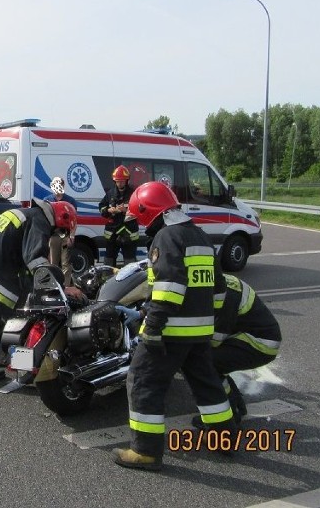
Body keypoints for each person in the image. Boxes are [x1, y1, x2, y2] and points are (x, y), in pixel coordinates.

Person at [113, 181, 236, 471]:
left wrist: (153, 326)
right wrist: (207, 322)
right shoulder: (201, 237)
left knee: (142, 381)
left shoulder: (167, 237)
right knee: (207, 385)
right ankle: (224, 439)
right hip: (200, 332)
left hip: (171, 332)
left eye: (141, 218)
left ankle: (146, 452)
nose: (142, 226)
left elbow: (170, 286)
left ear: (149, 212)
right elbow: (219, 289)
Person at [0, 199, 81, 383]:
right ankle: (23, 370)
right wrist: (62, 287)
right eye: (60, 230)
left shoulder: (26, 214)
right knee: (23, 320)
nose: (56, 234)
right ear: (60, 219)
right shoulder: (39, 221)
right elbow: (35, 261)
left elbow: (25, 265)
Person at [191, 274, 281, 427]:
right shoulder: (219, 281)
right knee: (215, 362)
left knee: (205, 364)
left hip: (260, 343)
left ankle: (228, 416)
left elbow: (214, 340)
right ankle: (237, 404)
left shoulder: (226, 296)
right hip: (252, 336)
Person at [98, 165, 139, 266]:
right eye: (118, 181)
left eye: (122, 181)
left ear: (126, 180)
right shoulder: (110, 194)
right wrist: (108, 210)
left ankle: (130, 280)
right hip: (112, 233)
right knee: (109, 260)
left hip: (128, 233)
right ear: (114, 181)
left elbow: (139, 211)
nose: (120, 183)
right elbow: (101, 207)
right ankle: (108, 279)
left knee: (130, 261)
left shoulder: (133, 194)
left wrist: (126, 211)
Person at [43, 176, 77, 281]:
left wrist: (72, 236)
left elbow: (74, 220)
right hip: (53, 235)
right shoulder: (47, 200)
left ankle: (66, 287)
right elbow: (45, 220)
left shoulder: (70, 201)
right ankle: (53, 285)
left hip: (66, 235)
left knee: (66, 264)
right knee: (53, 263)